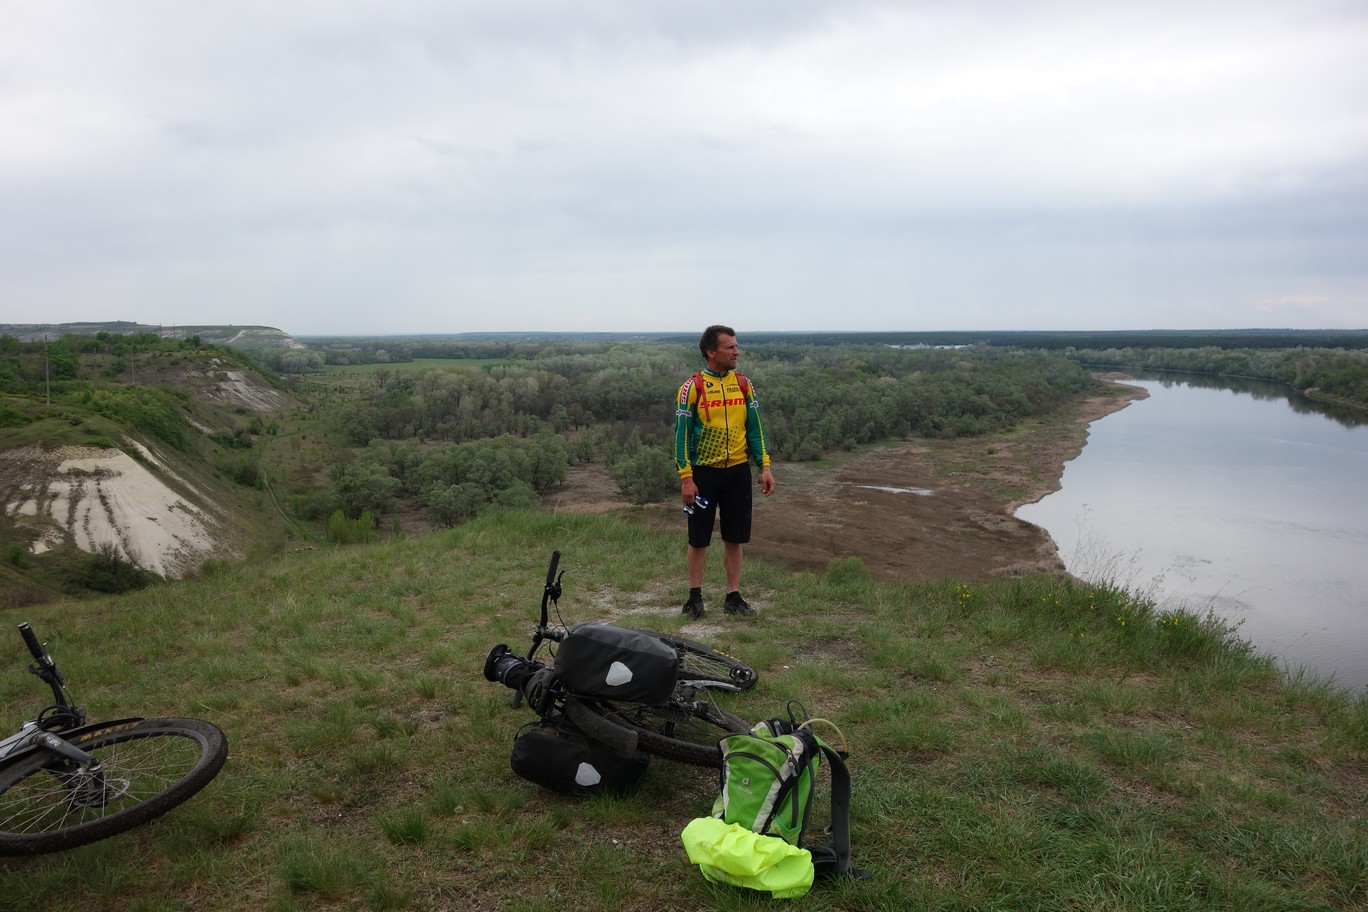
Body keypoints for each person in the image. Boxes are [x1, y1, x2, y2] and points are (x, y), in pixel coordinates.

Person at [673, 325, 776, 618]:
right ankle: (694, 598)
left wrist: (764, 466)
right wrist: (686, 477)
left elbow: (755, 429)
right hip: (703, 474)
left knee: (735, 536)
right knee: (698, 537)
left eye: (736, 346)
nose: (736, 352)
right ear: (711, 351)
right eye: (730, 347)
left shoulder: (743, 384)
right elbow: (680, 436)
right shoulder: (692, 388)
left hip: (737, 472)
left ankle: (733, 596)